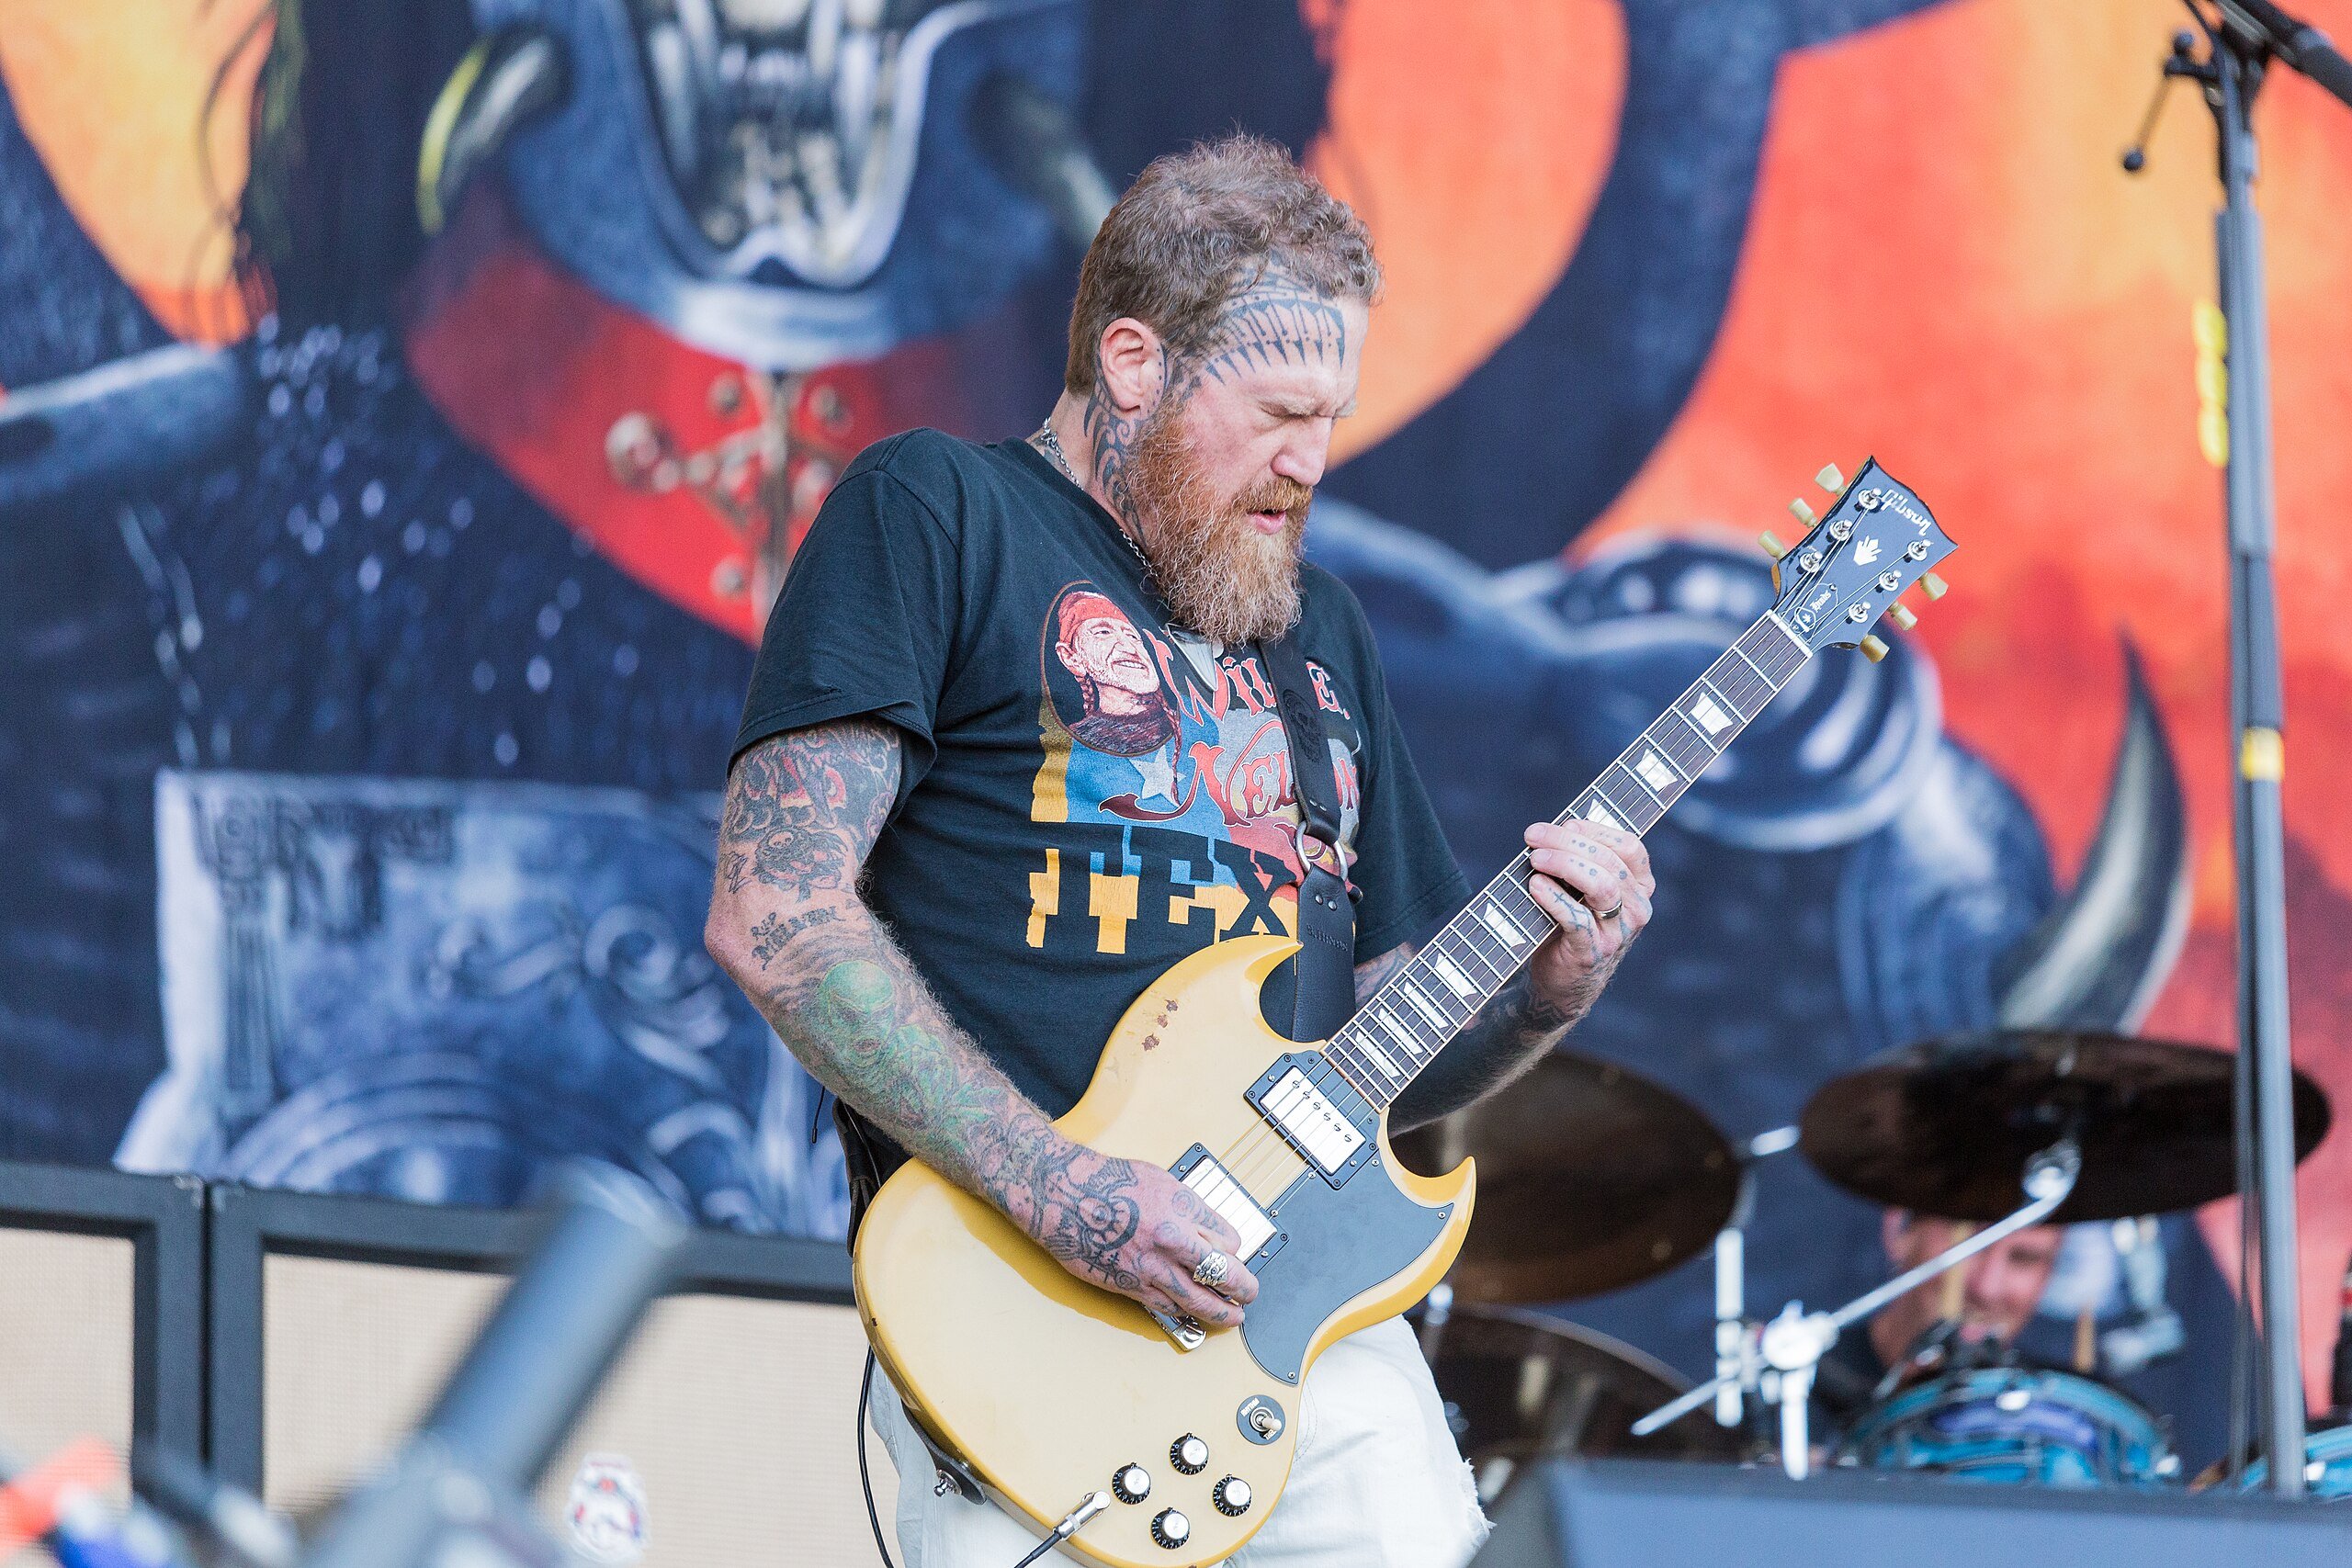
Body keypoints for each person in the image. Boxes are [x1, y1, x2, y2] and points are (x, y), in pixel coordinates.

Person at [704, 134, 1656, 1567]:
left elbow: (1397, 1059)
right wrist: (1069, 1195)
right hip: (1031, 1326)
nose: (1309, 463)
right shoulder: (937, 513)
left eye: (1329, 417)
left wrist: (1548, 989)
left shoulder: (1319, 631)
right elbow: (776, 916)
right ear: (1136, 366)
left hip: (1316, 1348)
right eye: (1279, 410)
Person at [1815, 1210, 2065, 1427]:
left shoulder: (2060, 1418)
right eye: (1970, 1243)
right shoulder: (1794, 1398)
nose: (1986, 1289)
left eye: (2024, 1258)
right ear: (1898, 1229)